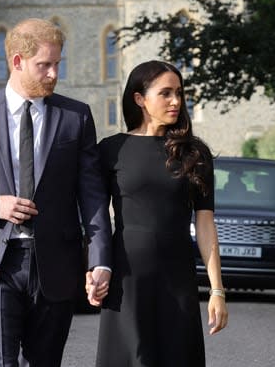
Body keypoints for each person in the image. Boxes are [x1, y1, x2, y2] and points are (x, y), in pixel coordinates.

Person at [0, 18, 113, 366]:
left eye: (57, 64)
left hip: (56, 264)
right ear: (17, 62)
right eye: (43, 65)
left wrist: (100, 261)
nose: (53, 74)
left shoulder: (75, 117)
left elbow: (92, 196)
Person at [93, 60, 228, 367]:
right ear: (139, 98)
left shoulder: (195, 153)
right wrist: (94, 268)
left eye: (179, 93)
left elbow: (205, 225)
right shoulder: (111, 150)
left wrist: (217, 290)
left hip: (177, 279)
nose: (176, 101)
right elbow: (96, 218)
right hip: (126, 281)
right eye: (165, 93)